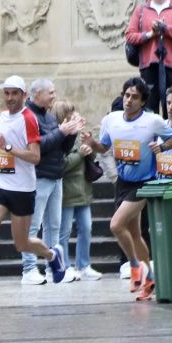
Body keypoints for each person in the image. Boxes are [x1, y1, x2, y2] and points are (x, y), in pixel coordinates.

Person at [0, 75, 70, 310]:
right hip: (0, 185)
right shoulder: (3, 115)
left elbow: (35, 156)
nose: (10, 98)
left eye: (15, 93)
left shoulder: (29, 119)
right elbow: (5, 142)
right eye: (7, 93)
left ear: (24, 95)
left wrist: (9, 148)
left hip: (23, 189)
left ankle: (53, 255)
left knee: (21, 244)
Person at [88, 77, 172, 302]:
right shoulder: (111, 120)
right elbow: (104, 147)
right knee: (135, 234)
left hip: (144, 183)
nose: (129, 100)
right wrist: (91, 143)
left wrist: (162, 146)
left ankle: (135, 266)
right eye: (127, 95)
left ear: (142, 101)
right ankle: (150, 279)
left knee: (116, 225)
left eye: (134, 97)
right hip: (123, 182)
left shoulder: (153, 121)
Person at [22, 79, 85, 285]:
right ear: (37, 94)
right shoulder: (28, 117)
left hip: (56, 176)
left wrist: (70, 134)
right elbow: (38, 147)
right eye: (50, 92)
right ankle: (29, 269)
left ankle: (53, 268)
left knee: (53, 226)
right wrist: (62, 132)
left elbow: (60, 149)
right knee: (33, 226)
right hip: (39, 178)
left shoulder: (48, 117)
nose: (54, 96)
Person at [56, 100, 102, 281]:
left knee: (86, 228)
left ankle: (83, 265)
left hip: (83, 189)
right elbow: (62, 165)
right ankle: (65, 265)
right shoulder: (61, 137)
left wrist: (89, 148)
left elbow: (91, 157)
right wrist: (80, 154)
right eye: (71, 114)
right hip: (67, 191)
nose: (76, 116)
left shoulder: (79, 135)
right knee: (64, 231)